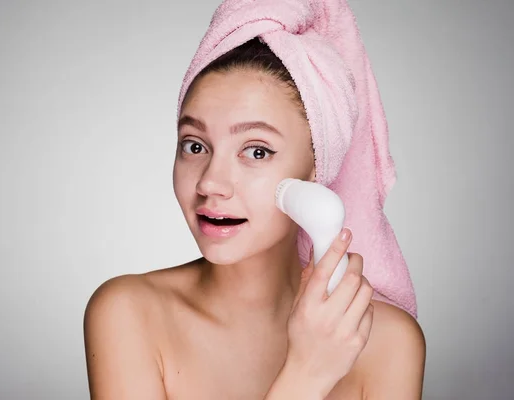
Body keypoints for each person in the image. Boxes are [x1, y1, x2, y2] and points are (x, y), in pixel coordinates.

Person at [83, 17, 425, 400]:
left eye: (256, 151)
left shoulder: (389, 343)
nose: (209, 183)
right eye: (194, 145)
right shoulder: (128, 314)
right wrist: (307, 374)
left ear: (317, 169)